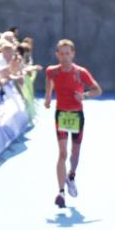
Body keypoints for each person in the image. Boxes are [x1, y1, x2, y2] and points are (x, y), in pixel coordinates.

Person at [44, 39, 101, 208]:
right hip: (61, 114)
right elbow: (49, 82)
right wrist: (48, 97)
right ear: (57, 55)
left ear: (73, 54)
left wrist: (84, 96)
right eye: (61, 54)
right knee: (62, 153)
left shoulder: (81, 72)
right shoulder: (52, 71)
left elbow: (98, 90)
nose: (65, 57)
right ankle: (61, 192)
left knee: (75, 153)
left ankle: (71, 175)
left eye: (67, 53)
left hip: (76, 115)